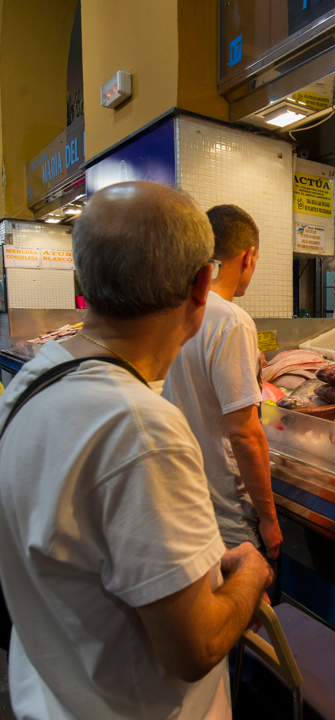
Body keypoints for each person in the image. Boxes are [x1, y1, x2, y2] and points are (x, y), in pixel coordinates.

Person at [0, 182, 272, 720]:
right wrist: (251, 572)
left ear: (86, 280)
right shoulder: (142, 431)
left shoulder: (34, 380)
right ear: (201, 284)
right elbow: (194, 647)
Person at [163, 205, 283, 562]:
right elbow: (245, 434)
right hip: (226, 514)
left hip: (182, 502)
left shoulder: (173, 309)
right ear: (248, 256)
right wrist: (269, 519)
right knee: (245, 611)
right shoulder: (232, 321)